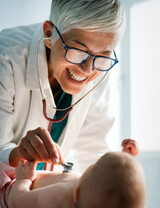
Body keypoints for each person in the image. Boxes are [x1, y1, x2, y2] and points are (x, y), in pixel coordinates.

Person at [0, 0, 126, 172]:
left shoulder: (100, 67)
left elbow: (93, 148)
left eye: (103, 56)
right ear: (50, 33)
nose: (87, 70)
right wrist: (17, 154)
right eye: (79, 51)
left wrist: (116, 175)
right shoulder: (5, 60)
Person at [0, 139, 146, 208]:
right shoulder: (96, 205)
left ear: (76, 192)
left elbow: (16, 202)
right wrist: (126, 160)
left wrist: (23, 179)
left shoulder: (59, 197)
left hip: (6, 190)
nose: (93, 165)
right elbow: (113, 185)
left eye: (95, 166)